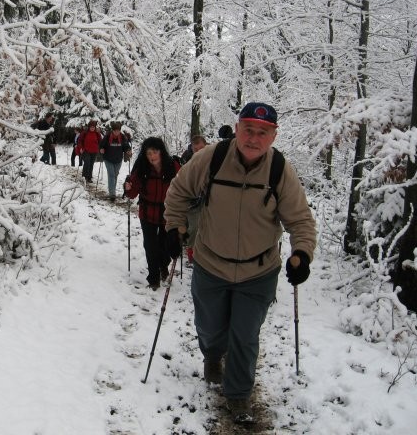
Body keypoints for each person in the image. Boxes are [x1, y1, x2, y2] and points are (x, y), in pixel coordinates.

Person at [163, 102, 316, 423]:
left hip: (258, 271)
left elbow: (300, 220)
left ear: (273, 136)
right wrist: (174, 226)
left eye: (263, 132)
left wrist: (301, 254)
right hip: (210, 263)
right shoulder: (212, 158)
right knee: (210, 327)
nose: (254, 138)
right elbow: (178, 191)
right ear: (237, 128)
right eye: (248, 129)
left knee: (245, 335)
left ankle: (238, 395)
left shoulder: (279, 170)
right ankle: (212, 355)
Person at [123, 137, 181, 290]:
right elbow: (132, 193)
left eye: (154, 152)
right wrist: (128, 188)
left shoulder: (173, 166)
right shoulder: (142, 168)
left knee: (166, 245)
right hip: (147, 212)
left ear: (161, 151)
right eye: (148, 153)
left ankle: (163, 266)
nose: (152, 157)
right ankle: (153, 278)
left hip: (167, 213)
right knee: (150, 246)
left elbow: (183, 188)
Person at [179, 135, 207, 264]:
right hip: (192, 200)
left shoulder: (212, 156)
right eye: (196, 149)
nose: (199, 151)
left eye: (202, 148)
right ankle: (191, 253)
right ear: (192, 148)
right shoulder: (186, 159)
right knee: (194, 227)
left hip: (207, 199)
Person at [99, 122, 132, 201]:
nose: (117, 132)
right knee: (111, 175)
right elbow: (101, 145)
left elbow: (126, 146)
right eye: (115, 131)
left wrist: (128, 150)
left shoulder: (122, 137)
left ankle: (112, 191)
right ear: (112, 130)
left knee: (115, 175)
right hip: (108, 159)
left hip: (118, 160)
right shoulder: (107, 137)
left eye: (118, 130)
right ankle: (112, 194)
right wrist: (101, 149)